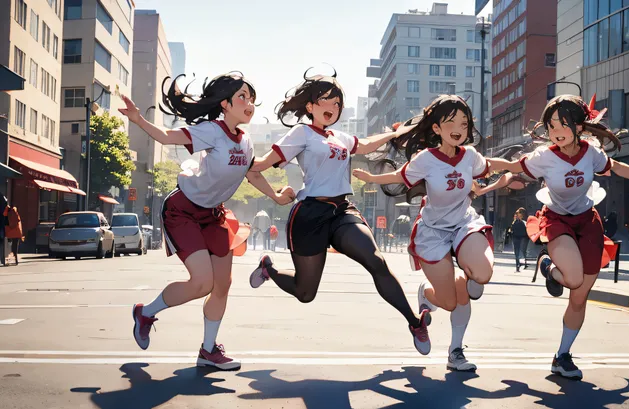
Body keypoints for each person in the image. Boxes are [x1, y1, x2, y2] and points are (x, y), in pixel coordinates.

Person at [487, 94, 629, 380]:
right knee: (572, 279)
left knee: (579, 296)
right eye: (550, 126)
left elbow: (617, 168)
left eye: (562, 124)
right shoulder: (544, 157)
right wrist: (473, 162)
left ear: (578, 126)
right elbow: (512, 167)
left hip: (588, 221)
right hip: (557, 220)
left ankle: (562, 356)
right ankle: (547, 265)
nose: (555, 131)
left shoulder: (591, 153)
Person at [119, 72, 295, 370]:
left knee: (222, 285)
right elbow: (166, 136)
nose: (249, 103)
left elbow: (251, 173)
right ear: (224, 103)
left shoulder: (247, 141)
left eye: (251, 98)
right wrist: (138, 119)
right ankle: (145, 313)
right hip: (183, 210)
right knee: (202, 283)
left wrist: (277, 196)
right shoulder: (211, 131)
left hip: (214, 214)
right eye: (242, 97)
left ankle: (208, 350)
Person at [248, 71, 432, 355]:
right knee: (305, 293)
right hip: (310, 214)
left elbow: (369, 144)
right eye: (325, 100)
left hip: (342, 211)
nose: (332, 107)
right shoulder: (302, 133)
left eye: (337, 103)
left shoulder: (342, 138)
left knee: (376, 261)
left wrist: (397, 132)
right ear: (309, 106)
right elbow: (259, 165)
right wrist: (271, 191)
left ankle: (414, 322)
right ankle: (268, 269)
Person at [353, 95, 504, 371]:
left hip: (463, 224)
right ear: (436, 128)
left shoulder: (470, 155)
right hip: (433, 231)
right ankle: (427, 294)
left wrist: (518, 169)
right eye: (451, 122)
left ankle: (456, 352)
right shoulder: (426, 159)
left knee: (481, 275)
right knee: (450, 300)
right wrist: (373, 179)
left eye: (464, 122)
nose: (459, 127)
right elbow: (400, 175)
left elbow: (489, 168)